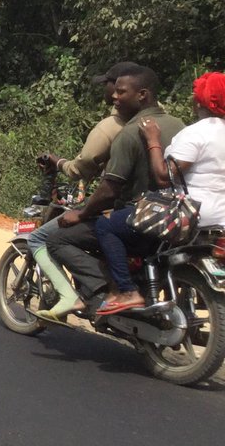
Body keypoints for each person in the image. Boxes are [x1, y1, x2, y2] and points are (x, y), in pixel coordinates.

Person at [40, 63, 185, 319]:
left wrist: (81, 213)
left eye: (121, 92)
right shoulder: (179, 125)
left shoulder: (128, 134)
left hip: (137, 218)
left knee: (57, 239)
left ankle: (108, 289)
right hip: (172, 216)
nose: (115, 97)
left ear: (142, 94)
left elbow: (109, 189)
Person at [92, 70, 225, 313]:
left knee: (106, 225)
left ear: (199, 102)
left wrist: (153, 140)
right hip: (221, 219)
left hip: (188, 214)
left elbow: (164, 177)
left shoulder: (196, 133)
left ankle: (126, 290)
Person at [28, 65, 126, 319]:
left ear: (119, 88)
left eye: (108, 84)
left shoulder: (111, 126)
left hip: (113, 207)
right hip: (155, 209)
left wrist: (57, 161)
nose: (107, 91)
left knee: (42, 238)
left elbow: (80, 168)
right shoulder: (164, 122)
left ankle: (71, 295)